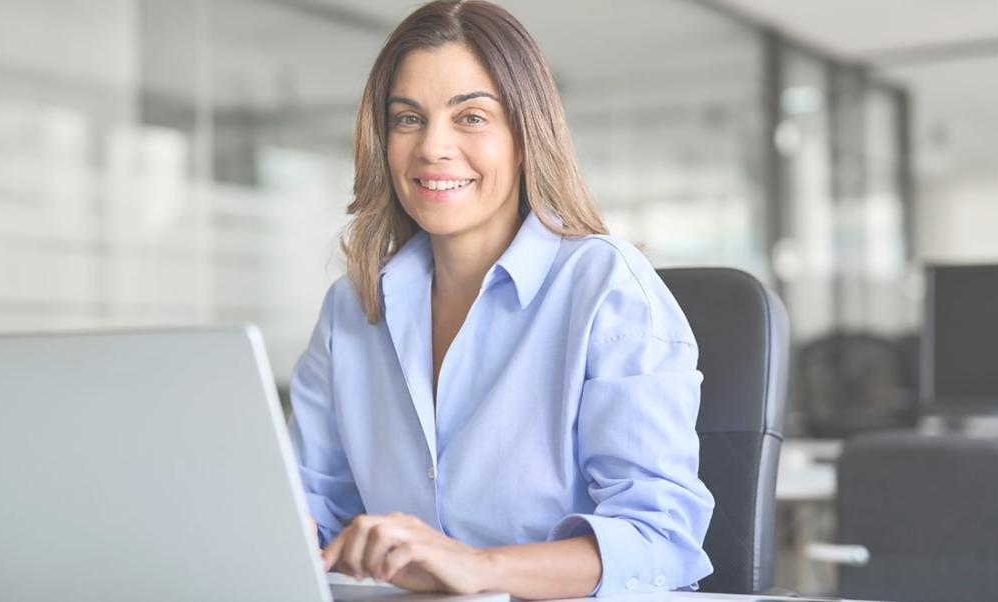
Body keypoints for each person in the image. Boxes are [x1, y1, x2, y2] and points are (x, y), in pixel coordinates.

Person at [288, 1, 714, 598]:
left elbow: (660, 540)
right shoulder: (351, 310)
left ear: (524, 133)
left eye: (470, 117)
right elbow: (310, 507)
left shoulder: (606, 288)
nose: (433, 146)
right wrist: (280, 534)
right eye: (408, 119)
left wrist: (479, 567)